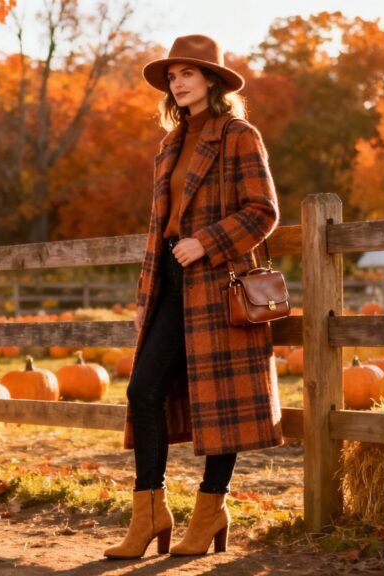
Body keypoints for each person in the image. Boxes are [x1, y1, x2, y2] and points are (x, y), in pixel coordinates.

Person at [104, 34, 282, 559]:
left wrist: (205, 242)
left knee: (218, 401)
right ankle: (151, 512)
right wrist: (159, 277)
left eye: (188, 74)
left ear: (212, 80)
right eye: (173, 76)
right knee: (142, 392)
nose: (178, 83)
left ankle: (210, 508)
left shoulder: (238, 135)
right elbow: (162, 224)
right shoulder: (170, 144)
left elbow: (263, 210)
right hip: (171, 284)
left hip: (220, 284)